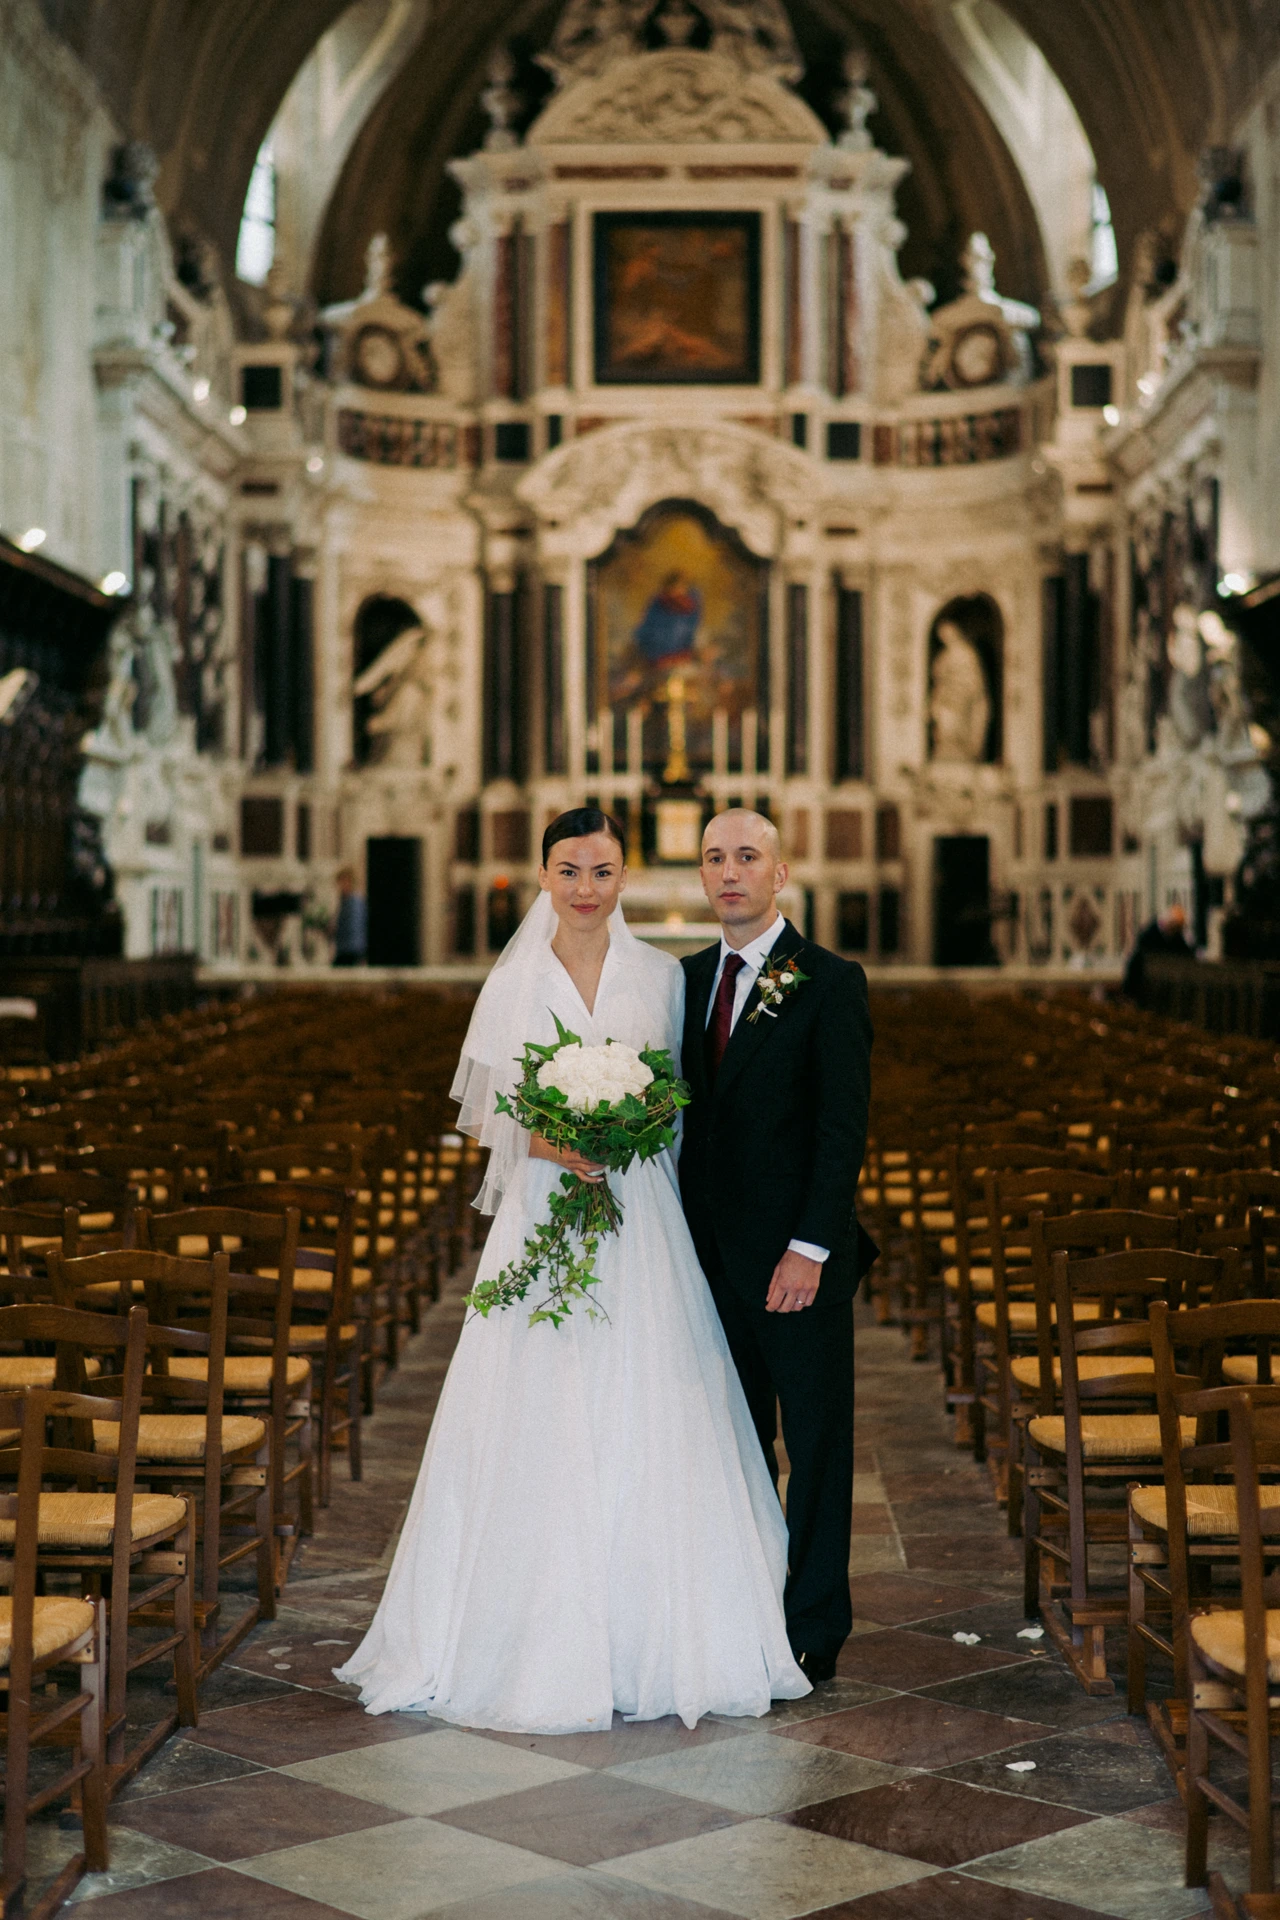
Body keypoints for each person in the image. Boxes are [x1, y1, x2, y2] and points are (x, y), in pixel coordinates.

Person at [336, 807, 808, 1732]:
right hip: (545, 1214)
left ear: (625, 877)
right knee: (535, 1401)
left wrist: (630, 1132)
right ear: (543, 877)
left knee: (653, 1404)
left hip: (640, 1218)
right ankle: (508, 1634)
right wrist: (549, 1141)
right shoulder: (514, 983)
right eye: (569, 870)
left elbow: (680, 1102)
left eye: (602, 871)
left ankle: (665, 1634)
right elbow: (490, 1115)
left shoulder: (660, 978)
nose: (586, 888)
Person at [679, 809, 875, 1685]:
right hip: (706, 1261)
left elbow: (842, 1132)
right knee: (734, 1441)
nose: (730, 873)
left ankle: (815, 1627)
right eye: (715, 858)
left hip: (798, 1266)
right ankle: (750, 1606)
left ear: (780, 873)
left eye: (746, 857)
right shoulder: (681, 984)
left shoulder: (829, 981)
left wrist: (810, 1249)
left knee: (818, 1444)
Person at [1122, 900, 1193, 1000]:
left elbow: (1186, 953)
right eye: (1173, 927)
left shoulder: (1176, 936)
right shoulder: (1149, 934)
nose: (1174, 931)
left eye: (1177, 929)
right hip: (1145, 982)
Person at [331, 866, 367, 967]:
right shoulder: (344, 902)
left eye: (342, 882)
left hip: (351, 950)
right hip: (344, 949)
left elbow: (354, 928)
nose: (340, 886)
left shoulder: (355, 902)